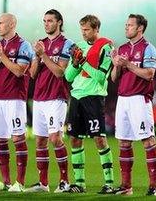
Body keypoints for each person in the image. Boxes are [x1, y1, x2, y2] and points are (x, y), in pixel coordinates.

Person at [63, 14, 115, 194]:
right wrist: (76, 63)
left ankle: (109, 183)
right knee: (75, 139)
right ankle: (79, 183)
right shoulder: (79, 47)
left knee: (99, 138)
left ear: (96, 29)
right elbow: (68, 76)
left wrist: (83, 62)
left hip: (94, 97)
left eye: (87, 30)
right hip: (76, 97)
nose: (83, 33)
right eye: (82, 29)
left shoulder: (106, 47)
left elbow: (101, 78)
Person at [111, 14, 156, 196]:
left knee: (148, 140)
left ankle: (153, 186)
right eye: (126, 25)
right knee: (124, 142)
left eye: (130, 25)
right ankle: (126, 186)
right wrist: (116, 64)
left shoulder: (149, 49)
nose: (126, 28)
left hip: (139, 99)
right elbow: (114, 79)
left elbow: (149, 74)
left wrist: (128, 64)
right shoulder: (122, 48)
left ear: (140, 28)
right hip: (122, 99)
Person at [25, 9, 73, 193]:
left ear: (59, 22)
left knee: (55, 138)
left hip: (57, 97)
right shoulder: (41, 44)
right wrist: (37, 57)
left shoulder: (67, 44)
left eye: (50, 21)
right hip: (39, 98)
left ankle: (64, 181)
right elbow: (33, 74)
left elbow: (61, 72)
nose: (46, 24)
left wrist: (44, 55)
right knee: (40, 141)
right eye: (44, 21)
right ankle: (43, 184)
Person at [0, 13, 34, 192]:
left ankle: (19, 183)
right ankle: (5, 181)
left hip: (15, 98)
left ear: (12, 24)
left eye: (1, 23)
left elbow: (19, 71)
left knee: (18, 138)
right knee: (0, 140)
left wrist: (2, 56)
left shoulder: (23, 45)